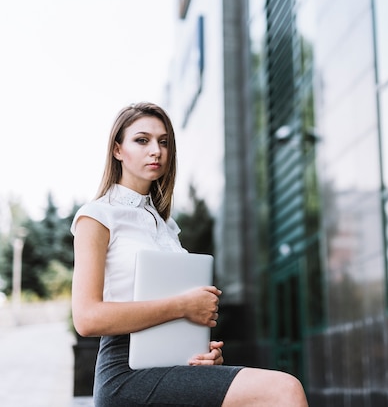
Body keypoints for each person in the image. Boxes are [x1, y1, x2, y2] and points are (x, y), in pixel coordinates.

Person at [71, 102, 308, 407]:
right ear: (117, 149)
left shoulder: (167, 226)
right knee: (283, 390)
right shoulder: (97, 216)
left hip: (172, 365)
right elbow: (87, 318)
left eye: (164, 141)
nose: (155, 150)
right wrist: (184, 305)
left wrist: (201, 352)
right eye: (142, 140)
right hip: (126, 373)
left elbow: (171, 310)